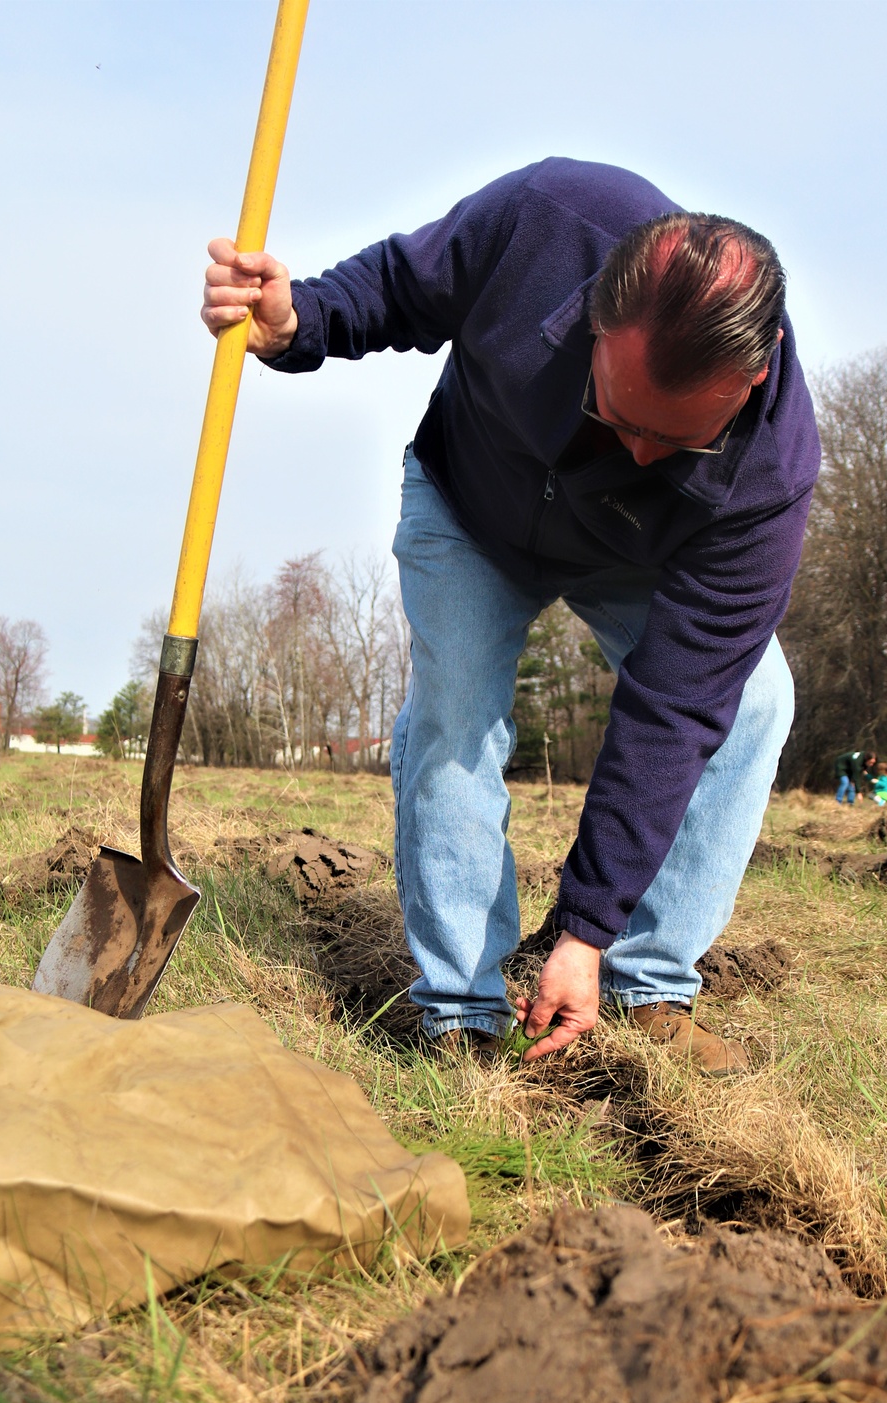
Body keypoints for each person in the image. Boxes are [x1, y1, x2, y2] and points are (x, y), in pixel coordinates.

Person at [201, 159, 821, 1073]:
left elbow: (674, 711)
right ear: (595, 313)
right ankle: (463, 1006)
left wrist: (584, 931)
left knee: (754, 702)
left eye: (675, 440)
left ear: (753, 372)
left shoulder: (765, 480)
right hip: (471, 502)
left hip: (630, 551)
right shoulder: (551, 218)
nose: (639, 451)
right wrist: (301, 322)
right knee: (457, 714)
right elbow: (407, 287)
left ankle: (648, 987)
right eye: (617, 414)